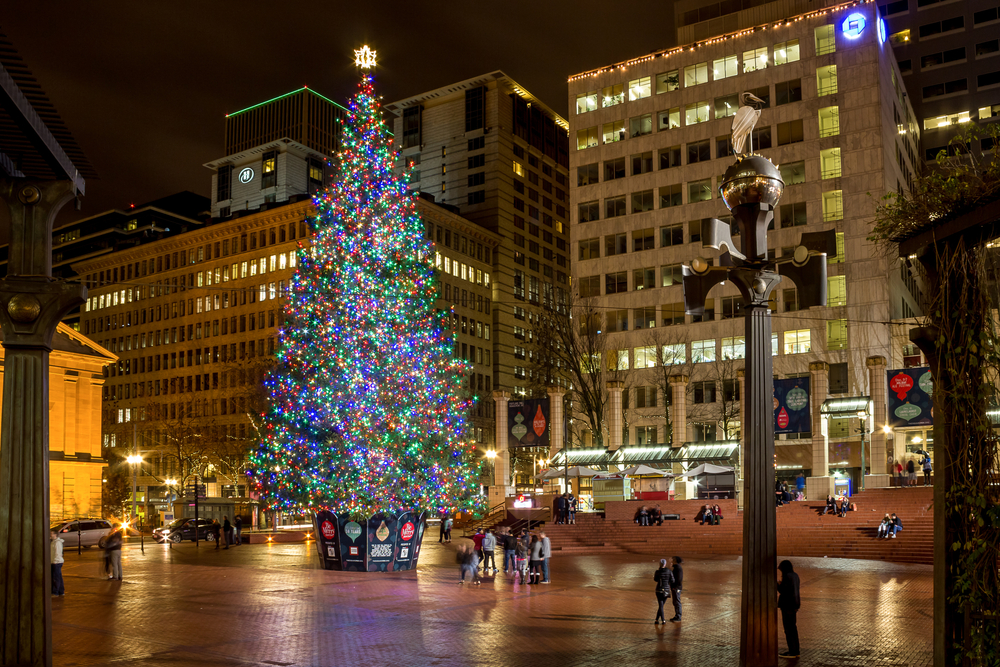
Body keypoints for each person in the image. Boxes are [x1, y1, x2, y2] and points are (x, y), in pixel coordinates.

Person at [777, 560, 801, 658]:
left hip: (787, 605)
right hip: (794, 605)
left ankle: (792, 651)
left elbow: (783, 590)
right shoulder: (795, 575)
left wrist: (778, 584)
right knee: (793, 628)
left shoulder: (787, 576)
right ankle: (796, 650)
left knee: (788, 629)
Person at [653, 558, 675, 624]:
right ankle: (660, 620)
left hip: (658, 590)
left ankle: (660, 620)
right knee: (661, 606)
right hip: (666, 590)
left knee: (660, 605)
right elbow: (672, 580)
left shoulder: (657, 571)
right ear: (665, 564)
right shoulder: (669, 571)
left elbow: (655, 579)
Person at [669, 556, 684, 622]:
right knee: (675, 602)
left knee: (677, 602)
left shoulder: (677, 568)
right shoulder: (675, 567)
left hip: (676, 588)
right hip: (675, 587)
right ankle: (677, 615)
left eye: (673, 559)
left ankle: (678, 616)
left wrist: (675, 586)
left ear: (675, 560)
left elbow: (679, 579)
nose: (671, 560)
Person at [51, 530, 65, 596]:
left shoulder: (57, 543)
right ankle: (61, 591)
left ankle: (55, 592)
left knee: (56, 577)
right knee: (58, 577)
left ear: (55, 535)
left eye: (51, 534)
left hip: (56, 562)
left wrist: (54, 561)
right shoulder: (54, 542)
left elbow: (57, 553)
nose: (50, 535)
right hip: (56, 561)